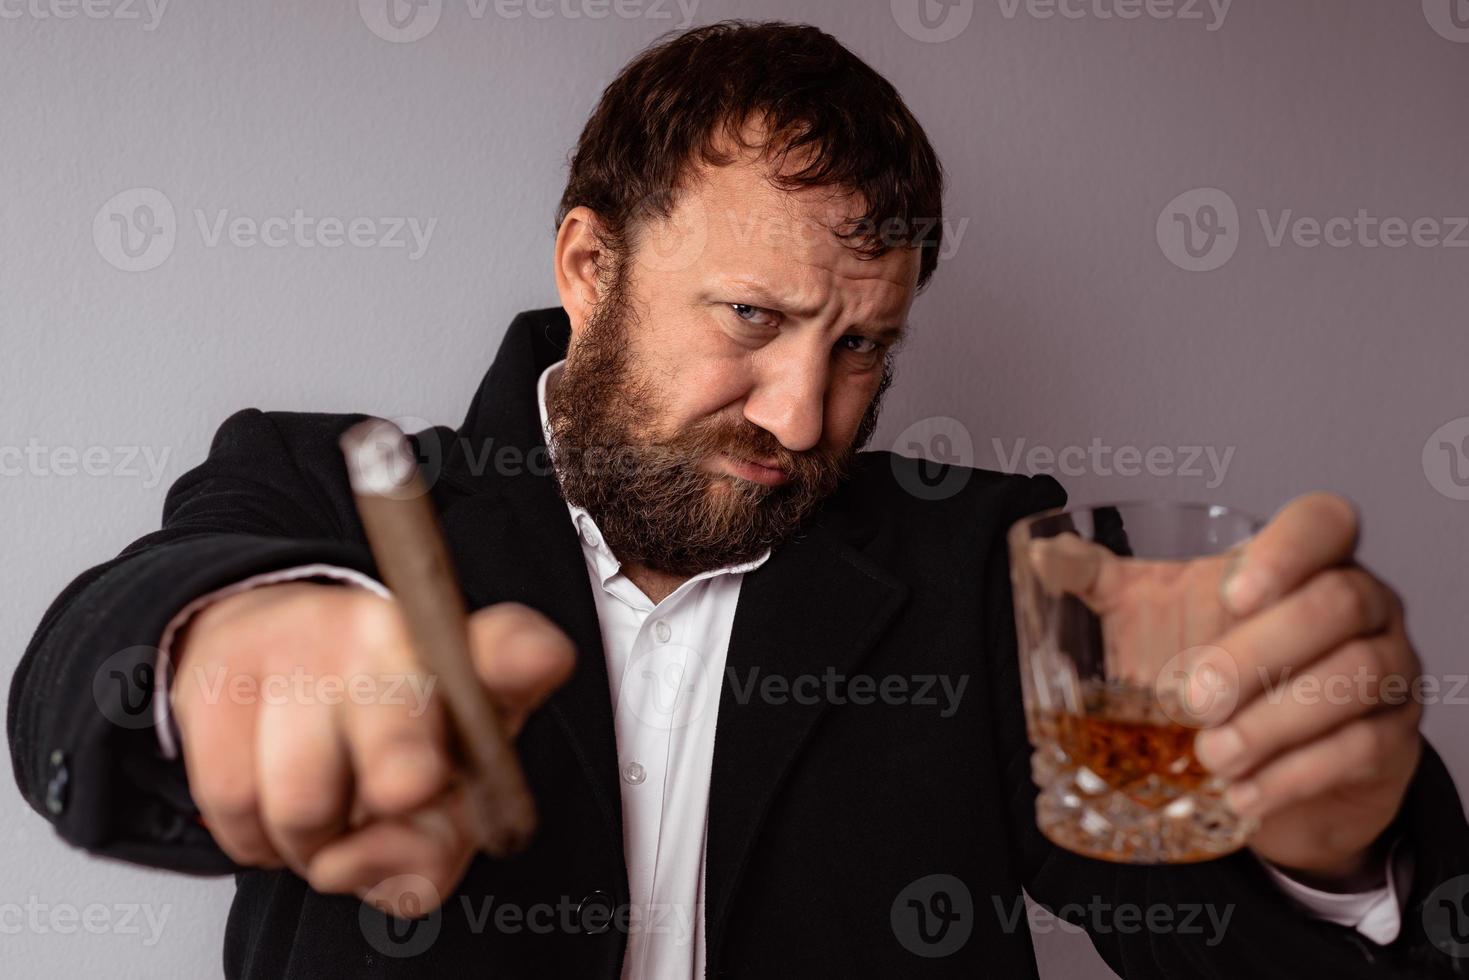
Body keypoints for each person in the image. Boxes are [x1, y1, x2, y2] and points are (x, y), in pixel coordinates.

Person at [10, 20, 1467, 979]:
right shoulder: (330, 492)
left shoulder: (991, 565)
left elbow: (1212, 932)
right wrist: (229, 653)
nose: (801, 415)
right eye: (753, 319)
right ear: (589, 268)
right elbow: (90, 671)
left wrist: (1332, 857)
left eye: (860, 348)